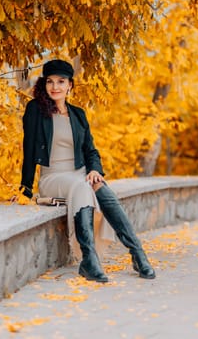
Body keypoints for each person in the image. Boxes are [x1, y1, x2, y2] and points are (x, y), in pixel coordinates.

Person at [20, 59, 156, 283]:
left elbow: (91, 150)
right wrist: (24, 189)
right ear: (44, 84)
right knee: (83, 186)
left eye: (61, 82)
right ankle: (89, 257)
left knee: (103, 191)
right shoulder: (36, 110)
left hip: (80, 173)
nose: (55, 87)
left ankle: (136, 253)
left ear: (70, 85)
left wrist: (94, 170)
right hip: (53, 176)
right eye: (50, 82)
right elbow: (28, 149)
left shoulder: (78, 115)